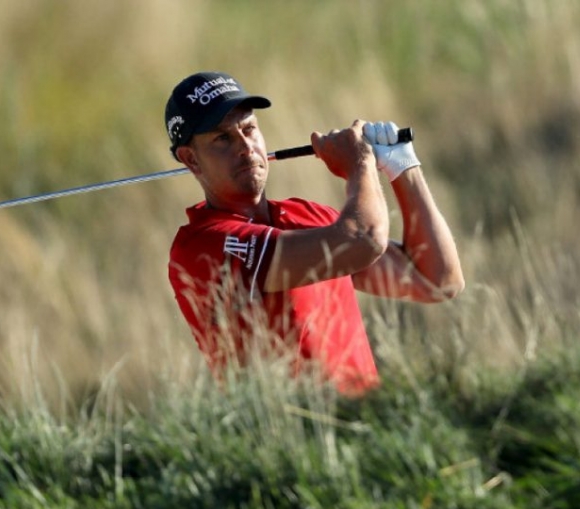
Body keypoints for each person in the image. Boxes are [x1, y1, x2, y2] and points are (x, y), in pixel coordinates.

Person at [165, 71, 464, 395]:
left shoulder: (309, 217)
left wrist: (403, 166)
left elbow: (438, 281)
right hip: (290, 440)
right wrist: (359, 165)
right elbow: (363, 240)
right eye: (222, 138)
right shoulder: (202, 246)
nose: (245, 147)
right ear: (191, 159)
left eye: (249, 129)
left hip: (366, 431)